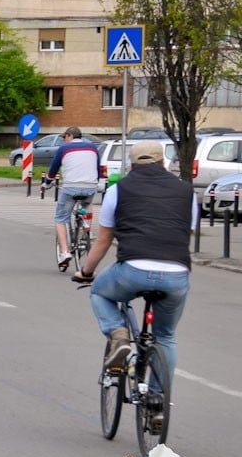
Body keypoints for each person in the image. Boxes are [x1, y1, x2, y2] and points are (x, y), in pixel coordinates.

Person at [73, 141, 194, 382]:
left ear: (131, 164)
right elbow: (185, 231)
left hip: (133, 269)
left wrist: (86, 272)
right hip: (176, 274)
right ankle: (157, 406)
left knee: (100, 292)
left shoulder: (118, 190)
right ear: (163, 162)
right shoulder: (186, 191)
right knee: (166, 337)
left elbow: (104, 240)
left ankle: (118, 335)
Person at [43, 126, 100, 269]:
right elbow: (97, 168)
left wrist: (46, 184)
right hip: (91, 186)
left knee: (61, 218)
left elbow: (53, 170)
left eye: (64, 137)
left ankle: (64, 252)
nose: (64, 140)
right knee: (86, 203)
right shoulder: (93, 148)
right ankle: (87, 227)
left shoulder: (63, 149)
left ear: (69, 136)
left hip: (71, 187)